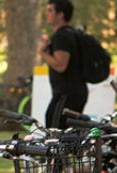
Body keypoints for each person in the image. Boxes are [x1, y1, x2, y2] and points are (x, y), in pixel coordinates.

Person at [39, 0, 86, 129]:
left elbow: (60, 65)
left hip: (66, 94)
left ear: (60, 15)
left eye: (50, 10)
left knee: (55, 130)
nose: (46, 13)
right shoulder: (70, 33)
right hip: (73, 93)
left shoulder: (62, 36)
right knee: (66, 132)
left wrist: (42, 53)